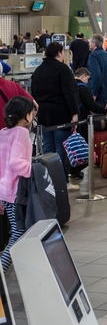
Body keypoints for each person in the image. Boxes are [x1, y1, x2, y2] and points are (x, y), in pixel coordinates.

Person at [30, 42, 79, 175]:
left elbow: (33, 93)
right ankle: (61, 180)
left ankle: (48, 179)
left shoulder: (38, 70)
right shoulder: (63, 70)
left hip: (44, 114)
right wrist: (75, 112)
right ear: (59, 53)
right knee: (61, 147)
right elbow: (70, 93)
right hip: (61, 114)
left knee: (47, 147)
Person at [0, 96, 35, 271]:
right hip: (16, 192)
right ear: (27, 116)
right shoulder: (21, 133)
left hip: (5, 192)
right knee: (19, 233)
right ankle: (1, 268)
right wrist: (32, 170)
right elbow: (15, 163)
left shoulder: (3, 132)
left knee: (17, 231)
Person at [86, 34, 107, 106]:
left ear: (94, 44)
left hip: (98, 96)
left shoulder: (93, 56)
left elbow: (96, 76)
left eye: (90, 43)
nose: (89, 44)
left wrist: (93, 94)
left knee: (96, 116)